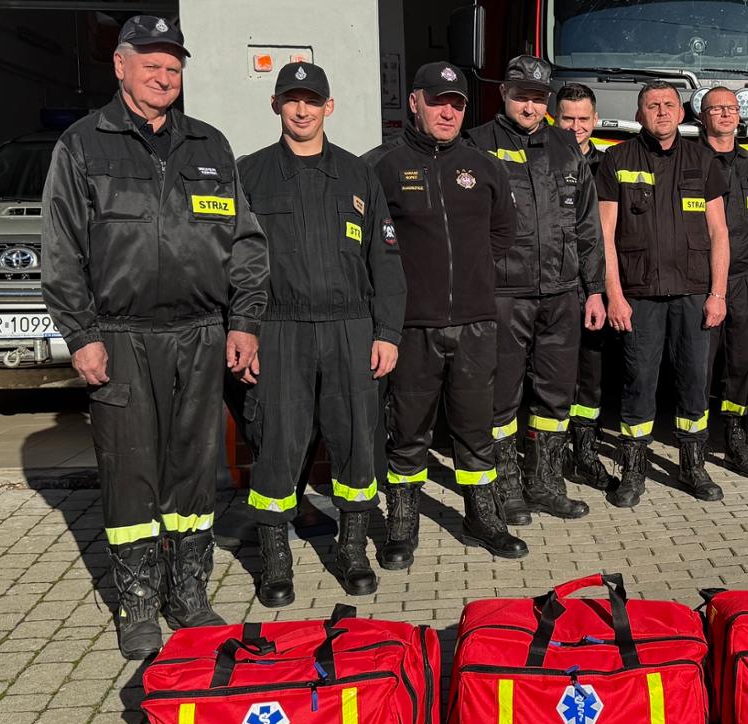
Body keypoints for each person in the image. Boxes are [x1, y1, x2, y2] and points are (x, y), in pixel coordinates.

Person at [41, 15, 266, 659]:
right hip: (121, 335)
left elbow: (246, 245)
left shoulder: (210, 147)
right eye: (151, 65)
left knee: (194, 470)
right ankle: (137, 601)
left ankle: (188, 593)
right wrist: (81, 333)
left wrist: (244, 320)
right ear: (121, 66)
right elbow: (61, 252)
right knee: (132, 469)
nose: (164, 77)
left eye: (173, 67)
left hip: (200, 334)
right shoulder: (84, 146)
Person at [236, 61, 403, 605]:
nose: (302, 109)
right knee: (276, 444)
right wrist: (242, 331)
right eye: (291, 100)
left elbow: (386, 259)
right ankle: (275, 558)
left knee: (356, 437)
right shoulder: (249, 175)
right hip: (278, 329)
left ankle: (352, 546)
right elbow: (229, 261)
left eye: (312, 100)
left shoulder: (359, 175)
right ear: (276, 105)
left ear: (329, 107)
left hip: (350, 328)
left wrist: (388, 333)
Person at [365, 62, 525, 567]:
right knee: (409, 431)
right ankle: (403, 521)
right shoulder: (382, 166)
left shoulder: (484, 166)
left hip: (477, 321)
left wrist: (473, 273)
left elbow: (504, 231)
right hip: (412, 325)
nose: (447, 112)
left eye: (456, 105)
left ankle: (483, 514)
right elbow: (370, 246)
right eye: (437, 102)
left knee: (476, 427)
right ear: (414, 102)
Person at [466, 56, 603, 524]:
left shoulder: (566, 147)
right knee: (501, 394)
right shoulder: (477, 145)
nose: (530, 105)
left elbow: (587, 226)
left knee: (555, 394)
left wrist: (596, 289)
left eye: (539, 97)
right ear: (504, 93)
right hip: (503, 294)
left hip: (562, 293)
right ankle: (505, 485)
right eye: (522, 95)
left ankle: (544, 482)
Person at [598, 81, 731, 507]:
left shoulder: (702, 159)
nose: (661, 112)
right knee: (638, 382)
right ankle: (633, 471)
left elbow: (719, 232)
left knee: (694, 382)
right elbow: (604, 236)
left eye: (669, 105)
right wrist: (614, 295)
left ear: (682, 112)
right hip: (639, 295)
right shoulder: (616, 159)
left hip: (694, 294)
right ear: (639, 115)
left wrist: (719, 293)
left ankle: (692, 467)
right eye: (652, 105)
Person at [694, 86, 748, 480]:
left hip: (743, 276)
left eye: (731, 109)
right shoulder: (689, 162)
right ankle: (696, 440)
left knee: (742, 363)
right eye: (716, 109)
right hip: (699, 278)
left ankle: (736, 436)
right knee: (699, 365)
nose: (725, 115)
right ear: (701, 116)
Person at [552, 82, 619, 491]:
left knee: (590, 375)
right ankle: (549, 456)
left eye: (583, 119)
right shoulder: (538, 160)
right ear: (553, 119)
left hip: (591, 285)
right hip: (550, 285)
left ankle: (585, 452)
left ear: (595, 120)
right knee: (550, 376)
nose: (576, 127)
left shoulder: (608, 165)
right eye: (567, 118)